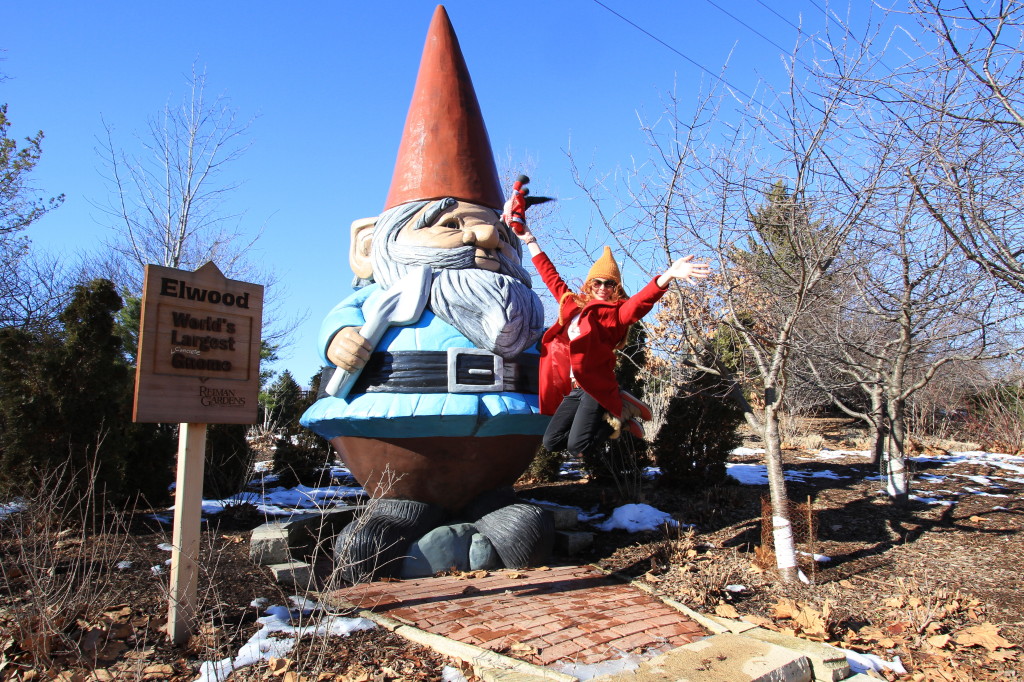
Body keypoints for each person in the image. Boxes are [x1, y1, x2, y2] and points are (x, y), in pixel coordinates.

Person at [513, 228, 710, 458]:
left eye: (609, 284)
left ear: (616, 288)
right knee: (552, 441)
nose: (603, 288)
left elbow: (640, 302)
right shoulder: (571, 304)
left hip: (595, 387)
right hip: (575, 388)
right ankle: (622, 416)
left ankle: (617, 415)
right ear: (590, 283)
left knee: (578, 447)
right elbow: (550, 275)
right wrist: (529, 240)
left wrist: (668, 276)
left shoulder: (617, 313)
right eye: (597, 282)